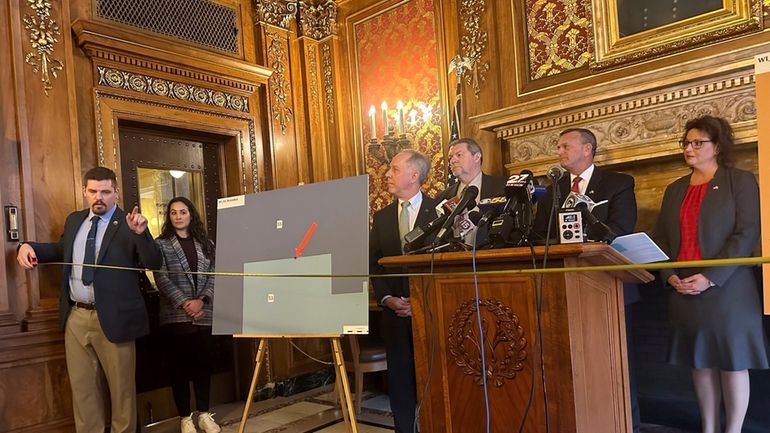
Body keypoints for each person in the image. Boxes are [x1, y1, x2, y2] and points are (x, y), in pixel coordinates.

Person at [16, 166, 162, 433]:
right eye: (93, 191)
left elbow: (154, 261)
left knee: (122, 394)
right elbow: (62, 251)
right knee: (83, 392)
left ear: (116, 193)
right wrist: (29, 246)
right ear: (84, 191)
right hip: (76, 317)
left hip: (116, 320)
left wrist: (141, 234)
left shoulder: (130, 223)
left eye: (106, 192)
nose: (99, 197)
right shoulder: (74, 221)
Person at [653, 115, 768, 433]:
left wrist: (711, 276)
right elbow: (661, 238)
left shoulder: (739, 180)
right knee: (699, 361)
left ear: (717, 146)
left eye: (697, 142)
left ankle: (732, 430)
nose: (689, 148)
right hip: (683, 286)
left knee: (733, 361)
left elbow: (746, 234)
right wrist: (669, 276)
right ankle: (708, 428)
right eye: (686, 143)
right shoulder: (675, 189)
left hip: (727, 287)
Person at [532, 127, 641, 431]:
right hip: (563, 287)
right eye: (558, 146)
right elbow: (540, 234)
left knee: (618, 366)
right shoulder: (553, 188)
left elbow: (621, 226)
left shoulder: (618, 182)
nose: (560, 151)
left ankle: (626, 424)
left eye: (566, 146)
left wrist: (581, 242)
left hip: (608, 283)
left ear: (588, 149)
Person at [369, 149, 439, 433]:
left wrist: (421, 300)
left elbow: (445, 260)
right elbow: (373, 263)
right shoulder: (382, 216)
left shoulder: (440, 210)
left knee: (434, 376)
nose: (387, 174)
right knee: (400, 380)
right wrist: (388, 299)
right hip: (394, 314)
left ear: (414, 175)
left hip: (431, 311)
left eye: (394, 169)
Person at [153, 197, 220, 433]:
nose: (178, 216)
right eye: (173, 213)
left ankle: (203, 414)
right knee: (179, 369)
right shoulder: (160, 244)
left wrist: (201, 301)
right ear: (169, 217)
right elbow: (161, 277)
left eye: (183, 212)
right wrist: (184, 303)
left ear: (191, 215)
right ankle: (184, 417)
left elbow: (215, 275)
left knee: (203, 366)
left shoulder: (207, 243)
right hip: (175, 316)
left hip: (205, 313)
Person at [437, 138, 506, 245]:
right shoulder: (443, 196)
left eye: (459, 155)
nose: (452, 160)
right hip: (455, 256)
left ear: (477, 157)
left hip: (494, 253)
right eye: (450, 157)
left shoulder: (502, 187)